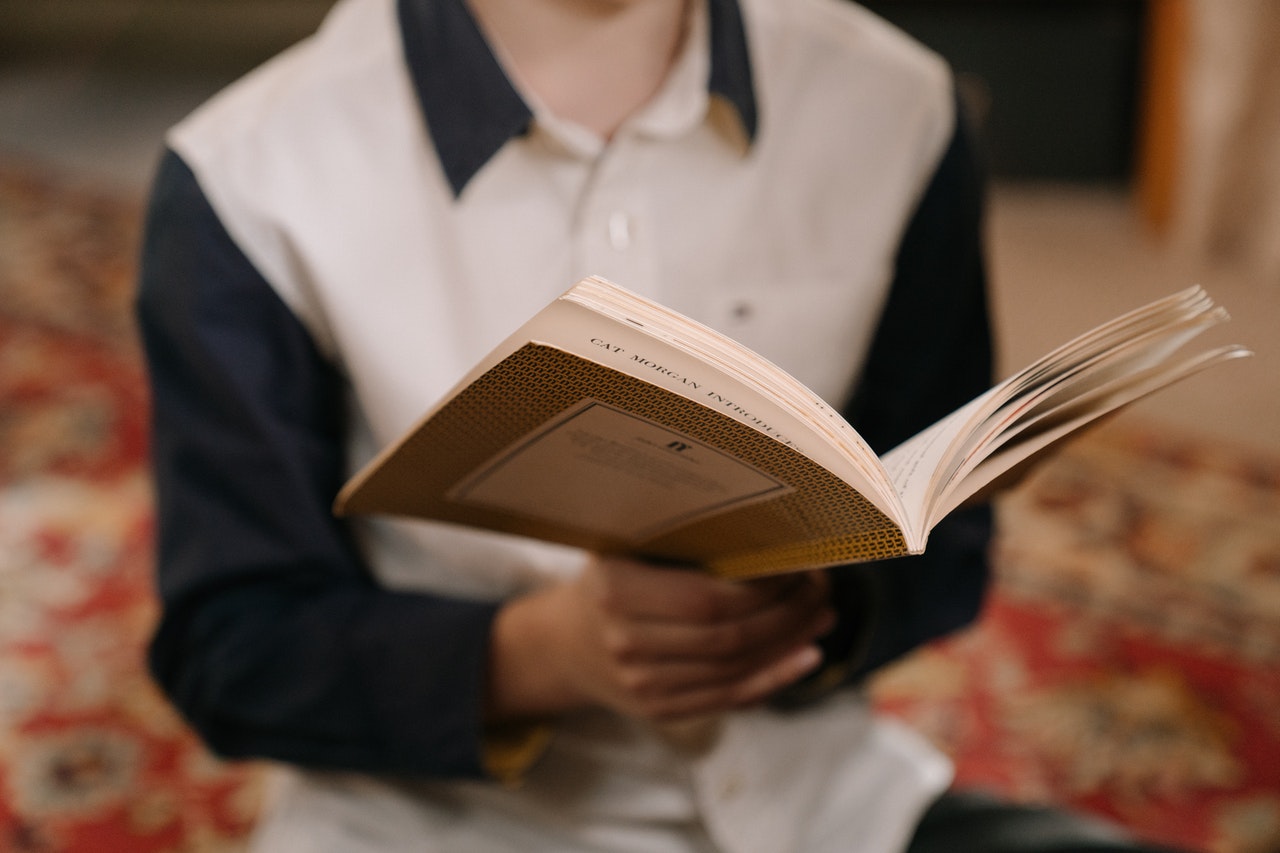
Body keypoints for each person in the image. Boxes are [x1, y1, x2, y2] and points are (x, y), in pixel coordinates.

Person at [135, 0, 1183, 851]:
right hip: (432, 822)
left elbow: (947, 542)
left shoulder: (897, 106)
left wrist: (812, 606)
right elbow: (233, 649)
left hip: (824, 808)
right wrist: (550, 653)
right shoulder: (248, 176)